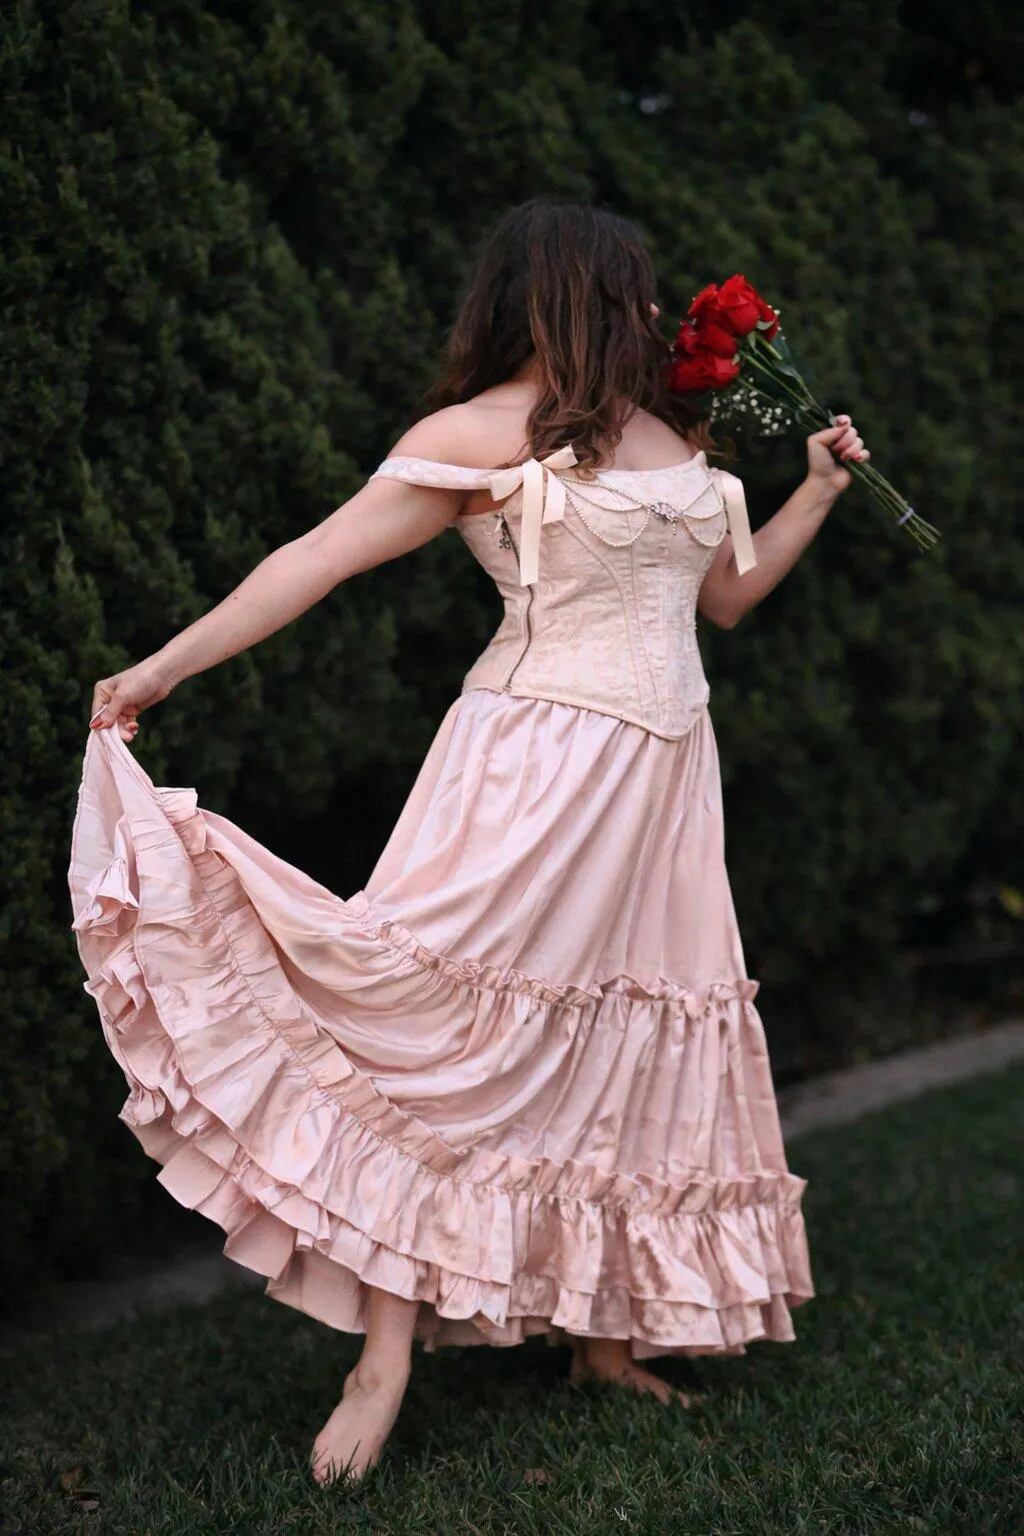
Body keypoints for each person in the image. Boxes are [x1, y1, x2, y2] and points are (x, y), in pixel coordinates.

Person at [71, 196, 869, 1487]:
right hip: (533, 775)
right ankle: (383, 1357)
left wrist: (820, 491)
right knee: (452, 1048)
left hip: (665, 784)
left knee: (625, 1042)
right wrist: (160, 669)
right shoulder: (476, 435)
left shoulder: (667, 428)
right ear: (562, 296)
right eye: (627, 288)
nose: (650, 310)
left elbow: (722, 602)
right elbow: (317, 558)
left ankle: (604, 1340)